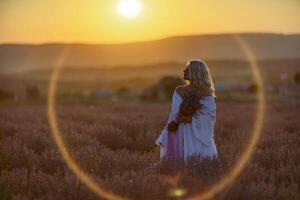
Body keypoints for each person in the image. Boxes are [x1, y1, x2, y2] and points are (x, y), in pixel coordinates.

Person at [155, 59, 218, 165]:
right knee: (178, 164)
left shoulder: (206, 93)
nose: (184, 71)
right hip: (180, 131)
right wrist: (174, 125)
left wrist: (189, 119)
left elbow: (209, 116)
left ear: (195, 72)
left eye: (187, 69)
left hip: (197, 133)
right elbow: (174, 114)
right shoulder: (179, 91)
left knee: (200, 164)